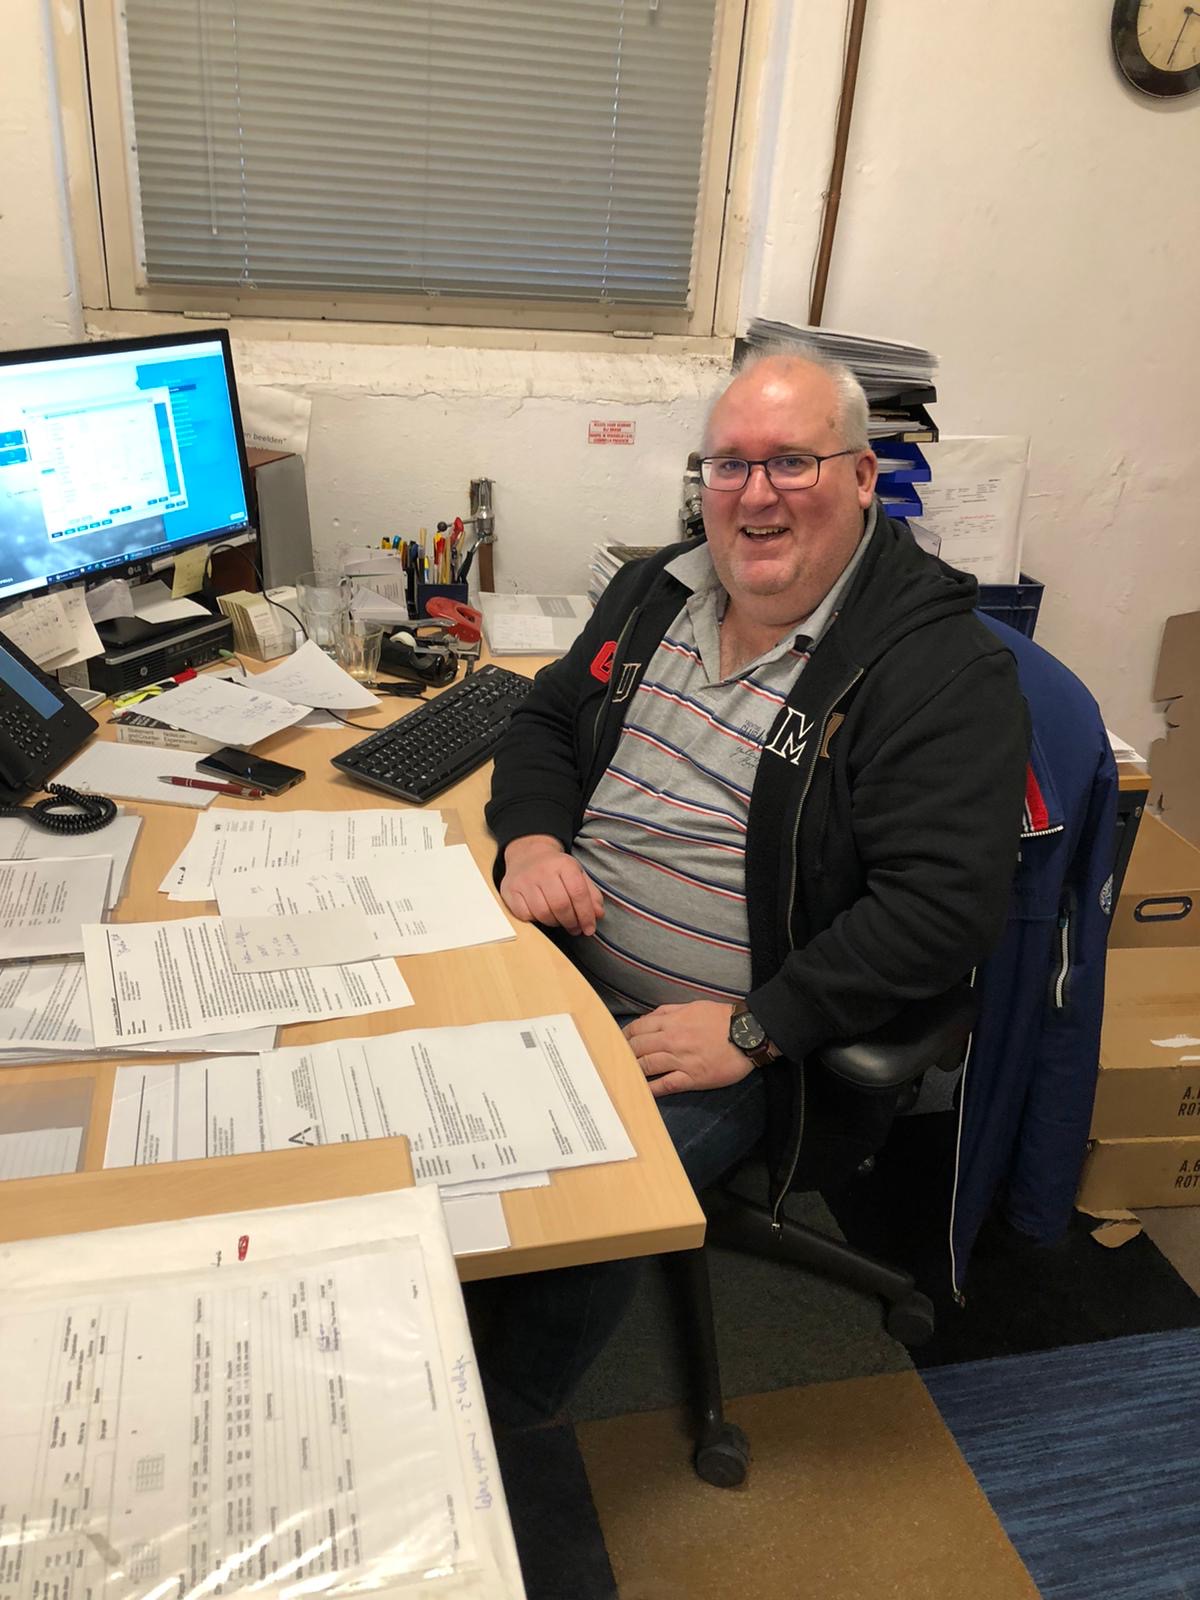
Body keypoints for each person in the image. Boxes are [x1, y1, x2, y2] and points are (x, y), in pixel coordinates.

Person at [476, 347, 1029, 1422]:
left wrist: (755, 1028)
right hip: (556, 956)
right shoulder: (656, 590)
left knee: (585, 1204)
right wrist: (534, 842)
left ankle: (505, 1425)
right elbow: (544, 715)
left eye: (791, 462)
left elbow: (943, 910)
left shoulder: (939, 673)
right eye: (729, 464)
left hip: (738, 1035)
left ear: (862, 477)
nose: (756, 494)